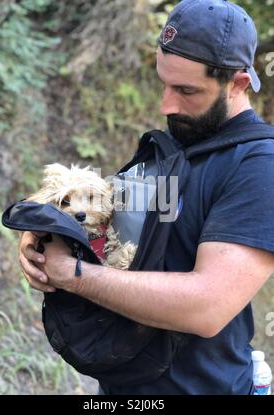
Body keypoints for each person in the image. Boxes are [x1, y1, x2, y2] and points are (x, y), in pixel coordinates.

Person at [18, 0, 274, 394]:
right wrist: (42, 231)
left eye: (186, 90)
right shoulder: (173, 144)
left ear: (237, 84)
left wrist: (74, 275)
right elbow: (102, 214)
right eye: (164, 84)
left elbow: (206, 307)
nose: (165, 105)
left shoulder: (258, 166)